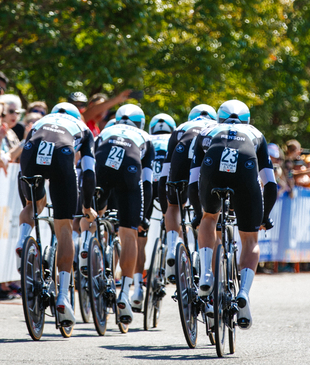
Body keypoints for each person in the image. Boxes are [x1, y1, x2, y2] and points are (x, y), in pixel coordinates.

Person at [188, 100, 277, 329]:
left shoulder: (207, 130)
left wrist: (200, 214)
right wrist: (264, 217)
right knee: (250, 239)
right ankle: (244, 293)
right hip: (245, 170)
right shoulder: (255, 133)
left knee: (210, 218)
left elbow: (192, 181)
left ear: (219, 118)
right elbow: (271, 185)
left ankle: (207, 274)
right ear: (247, 119)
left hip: (212, 166)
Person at [16, 102, 96, 328]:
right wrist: (87, 206)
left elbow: (21, 169)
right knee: (64, 229)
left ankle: (22, 241)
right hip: (62, 157)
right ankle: (63, 297)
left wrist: (29, 203)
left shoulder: (39, 122)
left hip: (31, 155)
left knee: (32, 206)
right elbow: (88, 174)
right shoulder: (83, 128)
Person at [90, 104, 154, 324]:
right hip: (129, 173)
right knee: (129, 233)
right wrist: (143, 216)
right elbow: (146, 183)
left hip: (102, 170)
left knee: (94, 214)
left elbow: (88, 168)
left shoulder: (105, 131)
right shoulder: (145, 137)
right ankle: (125, 293)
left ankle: (88, 247)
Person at [159, 104, 218, 275]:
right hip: (206, 156)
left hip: (181, 151)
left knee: (175, 205)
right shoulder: (215, 128)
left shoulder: (181, 127)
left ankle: (171, 247)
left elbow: (165, 171)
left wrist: (166, 203)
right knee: (211, 215)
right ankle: (208, 266)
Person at [131, 112, 176, 309]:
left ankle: (138, 287)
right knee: (175, 221)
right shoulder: (175, 139)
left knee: (140, 240)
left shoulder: (146, 138)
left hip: (147, 186)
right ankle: (171, 253)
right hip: (168, 186)